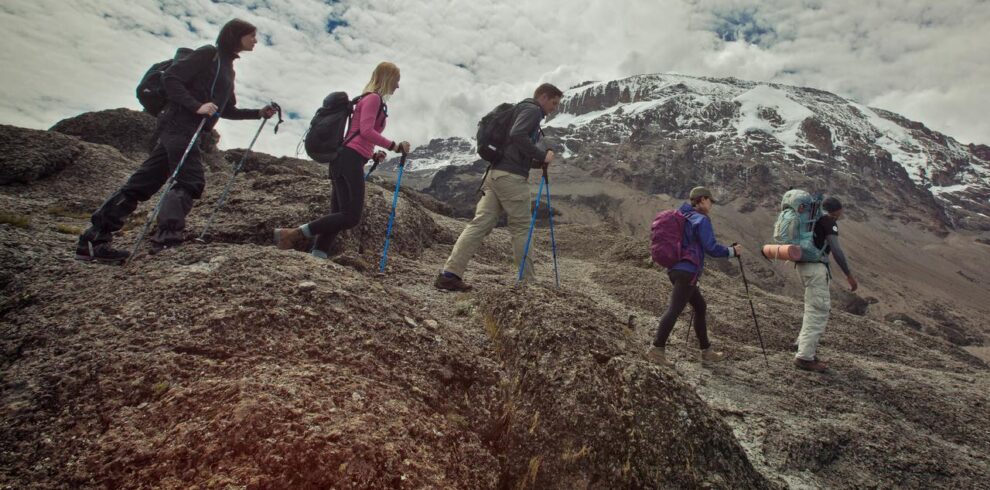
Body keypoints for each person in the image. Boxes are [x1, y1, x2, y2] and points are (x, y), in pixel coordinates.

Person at [74, 19, 277, 263]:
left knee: (144, 182)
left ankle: (93, 240)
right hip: (179, 123)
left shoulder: (227, 68)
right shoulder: (208, 54)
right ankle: (167, 240)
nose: (255, 40)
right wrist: (196, 105)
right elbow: (171, 78)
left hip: (187, 129)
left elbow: (226, 109)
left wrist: (258, 113)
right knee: (190, 179)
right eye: (252, 35)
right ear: (236, 35)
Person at [434, 83, 563, 291]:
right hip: (511, 179)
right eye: (554, 103)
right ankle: (528, 284)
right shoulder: (532, 110)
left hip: (494, 175)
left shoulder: (517, 110)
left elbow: (513, 149)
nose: (554, 108)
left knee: (480, 224)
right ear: (544, 97)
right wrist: (542, 155)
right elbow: (517, 134)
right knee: (522, 228)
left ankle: (449, 274)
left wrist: (536, 163)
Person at [274, 62, 410, 258]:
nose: (397, 86)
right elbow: (366, 131)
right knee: (351, 216)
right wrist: (395, 146)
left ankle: (318, 255)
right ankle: (292, 234)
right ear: (387, 79)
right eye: (396, 80)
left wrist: (371, 155)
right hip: (349, 159)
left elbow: (359, 135)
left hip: (345, 158)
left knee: (338, 213)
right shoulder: (373, 99)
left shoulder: (368, 99)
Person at [647, 187, 741, 366]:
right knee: (674, 309)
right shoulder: (701, 219)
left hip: (675, 269)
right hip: (687, 271)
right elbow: (711, 248)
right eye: (710, 201)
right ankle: (656, 349)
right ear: (702, 199)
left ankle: (706, 350)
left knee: (700, 306)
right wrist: (732, 251)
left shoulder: (682, 215)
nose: (711, 204)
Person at [793, 196, 857, 372]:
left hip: (803, 265)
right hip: (816, 268)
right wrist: (848, 275)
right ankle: (805, 357)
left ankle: (802, 343)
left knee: (812, 306)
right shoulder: (828, 221)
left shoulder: (811, 220)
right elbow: (836, 249)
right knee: (819, 310)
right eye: (840, 212)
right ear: (836, 211)